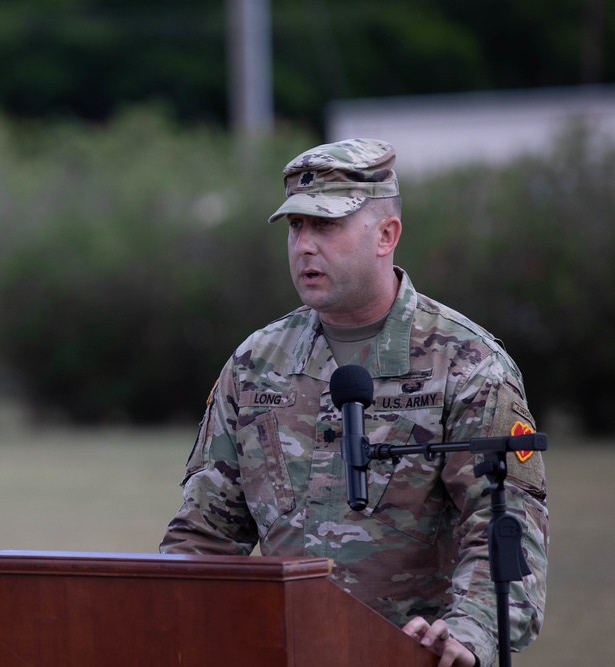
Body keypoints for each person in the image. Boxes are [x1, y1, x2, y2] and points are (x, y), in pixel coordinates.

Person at [159, 138, 548, 667]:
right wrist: (161, 619)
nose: (304, 246)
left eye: (326, 226)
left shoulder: (467, 363)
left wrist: (469, 630)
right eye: (296, 226)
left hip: (412, 656)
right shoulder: (255, 364)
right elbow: (204, 536)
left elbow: (506, 525)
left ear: (386, 235)